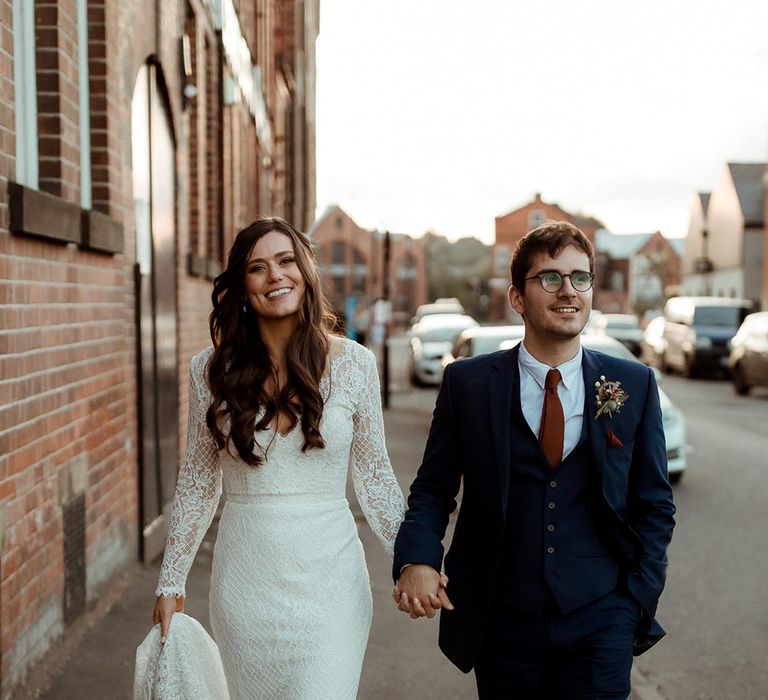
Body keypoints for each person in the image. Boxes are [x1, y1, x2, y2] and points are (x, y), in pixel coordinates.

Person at [392, 221, 676, 698]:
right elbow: (434, 488)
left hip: (602, 615)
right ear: (517, 298)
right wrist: (417, 558)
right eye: (550, 278)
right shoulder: (469, 384)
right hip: (504, 620)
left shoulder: (635, 385)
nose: (568, 291)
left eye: (579, 278)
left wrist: (636, 599)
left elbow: (655, 505)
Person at [152, 217, 406, 699]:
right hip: (246, 584)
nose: (276, 276)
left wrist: (415, 559)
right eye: (257, 268)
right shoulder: (208, 370)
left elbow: (375, 479)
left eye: (286, 261)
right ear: (242, 287)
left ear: (305, 270)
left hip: (331, 583)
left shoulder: (355, 364)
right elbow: (198, 482)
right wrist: (171, 580)